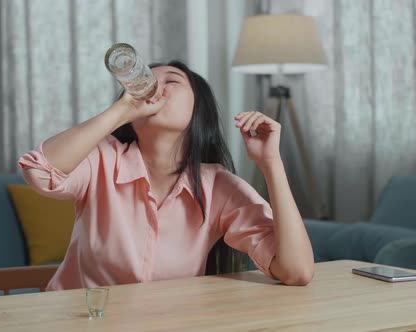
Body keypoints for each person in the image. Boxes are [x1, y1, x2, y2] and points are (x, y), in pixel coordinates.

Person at [18, 60, 314, 291]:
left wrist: (271, 162)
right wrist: (120, 111)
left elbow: (296, 271)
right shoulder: (103, 159)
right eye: (142, 82)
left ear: (199, 108)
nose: (152, 88)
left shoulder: (218, 188)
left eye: (170, 80)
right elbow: (39, 172)